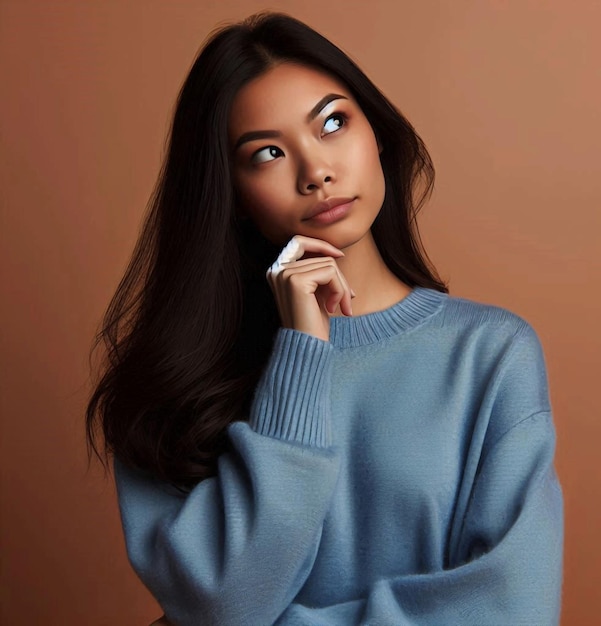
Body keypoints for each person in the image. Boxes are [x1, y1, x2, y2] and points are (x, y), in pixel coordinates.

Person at [86, 11, 563, 626]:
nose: (315, 172)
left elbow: (513, 608)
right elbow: (223, 603)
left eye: (333, 123)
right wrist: (302, 355)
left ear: (379, 136)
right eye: (267, 153)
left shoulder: (490, 356)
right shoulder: (176, 382)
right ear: (230, 194)